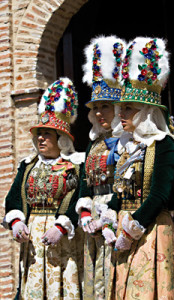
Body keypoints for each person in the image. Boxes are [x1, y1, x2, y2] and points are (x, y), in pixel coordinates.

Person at [106, 37, 174, 299]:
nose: (121, 113)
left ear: (145, 111)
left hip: (150, 230)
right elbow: (120, 190)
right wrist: (109, 215)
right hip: (126, 228)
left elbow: (159, 195)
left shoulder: (163, 145)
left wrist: (131, 231)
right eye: (121, 107)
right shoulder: (127, 145)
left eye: (129, 108)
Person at [3, 78, 85, 299]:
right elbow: (13, 197)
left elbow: (77, 196)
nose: (40, 138)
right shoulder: (28, 165)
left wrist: (60, 227)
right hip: (33, 239)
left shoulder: (74, 165)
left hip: (63, 238)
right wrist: (17, 221)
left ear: (61, 139)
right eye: (38, 133)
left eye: (46, 133)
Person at [75, 36, 126, 300]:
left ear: (118, 108)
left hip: (115, 217)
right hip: (92, 216)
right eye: (95, 107)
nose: (99, 113)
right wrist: (84, 212)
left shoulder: (129, 142)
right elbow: (85, 181)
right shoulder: (93, 144)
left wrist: (108, 216)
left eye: (105, 106)